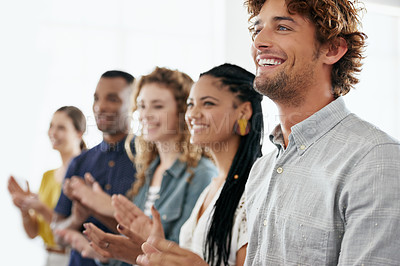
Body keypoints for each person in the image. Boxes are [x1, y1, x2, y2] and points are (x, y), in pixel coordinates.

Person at [243, 0, 400, 265]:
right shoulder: (261, 170)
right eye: (257, 29)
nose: (259, 41)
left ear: (332, 48)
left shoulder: (376, 160)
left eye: (282, 27)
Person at [71, 67, 217, 265]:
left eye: (157, 106)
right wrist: (105, 252)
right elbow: (134, 250)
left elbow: (192, 256)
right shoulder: (148, 172)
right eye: (141, 105)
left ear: (182, 111)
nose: (145, 115)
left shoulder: (201, 175)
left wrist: (109, 209)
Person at [129, 63, 263, 266]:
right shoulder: (214, 186)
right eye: (191, 104)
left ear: (243, 112)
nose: (192, 114)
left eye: (208, 103)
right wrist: (158, 249)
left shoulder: (255, 190)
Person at [52, 70, 137, 266]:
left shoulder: (148, 162)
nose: (100, 106)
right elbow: (57, 231)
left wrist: (97, 206)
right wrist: (76, 218)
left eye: (113, 99)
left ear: (134, 104)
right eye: (96, 98)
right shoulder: (80, 162)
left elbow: (148, 236)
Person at [8, 106, 86, 266]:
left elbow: (77, 230)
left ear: (79, 133)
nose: (53, 132)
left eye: (61, 127)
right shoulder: (47, 176)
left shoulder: (85, 175)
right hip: (50, 257)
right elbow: (33, 232)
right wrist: (25, 208)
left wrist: (40, 208)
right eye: (51, 126)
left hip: (75, 258)